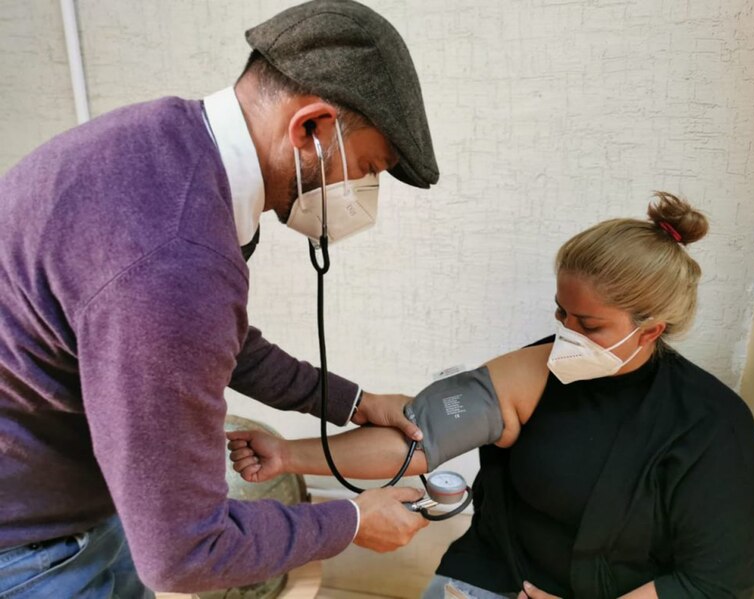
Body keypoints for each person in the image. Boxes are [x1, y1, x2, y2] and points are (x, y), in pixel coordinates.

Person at [0, 1, 441, 596]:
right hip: (29, 547)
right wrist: (354, 520)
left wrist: (353, 402)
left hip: (61, 491)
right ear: (310, 128)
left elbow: (213, 339)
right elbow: (185, 553)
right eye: (367, 168)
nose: (363, 194)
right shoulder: (172, 261)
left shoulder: (162, 140)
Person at [228, 193, 754, 599]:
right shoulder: (535, 371)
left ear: (650, 330)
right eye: (561, 314)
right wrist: (287, 455)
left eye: (589, 325)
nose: (566, 334)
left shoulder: (712, 430)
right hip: (497, 576)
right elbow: (418, 440)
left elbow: (711, 581)